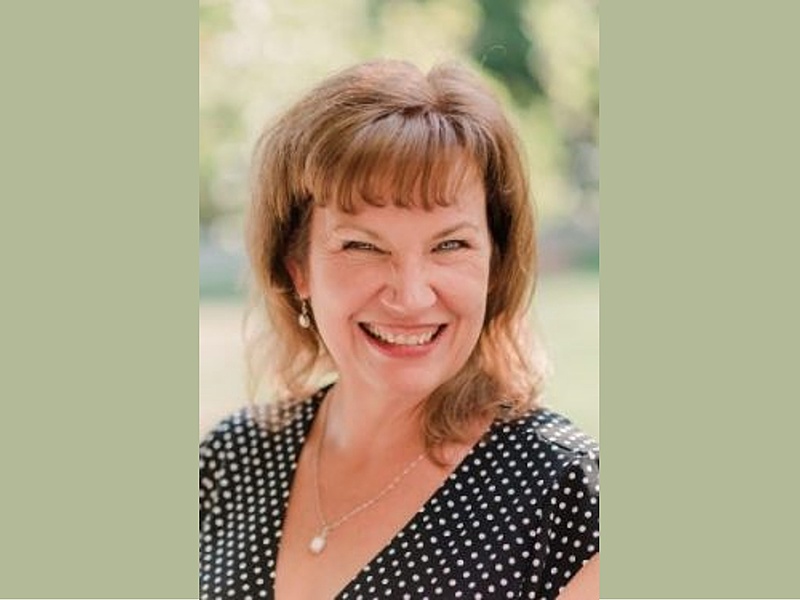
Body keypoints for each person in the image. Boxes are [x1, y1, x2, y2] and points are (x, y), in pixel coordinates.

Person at [200, 59, 599, 600]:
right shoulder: (227, 462)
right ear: (298, 268)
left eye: (450, 245)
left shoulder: (572, 500)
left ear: (495, 265)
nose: (410, 296)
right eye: (362, 246)